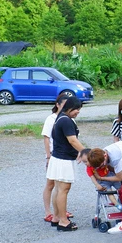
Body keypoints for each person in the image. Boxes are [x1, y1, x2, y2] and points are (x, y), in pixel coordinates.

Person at [47, 97, 86, 231]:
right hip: (63, 160)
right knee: (63, 190)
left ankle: (56, 217)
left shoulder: (59, 118)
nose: (78, 112)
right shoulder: (66, 121)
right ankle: (63, 221)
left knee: (58, 189)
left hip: (57, 158)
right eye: (76, 109)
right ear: (69, 108)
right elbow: (72, 140)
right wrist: (85, 152)